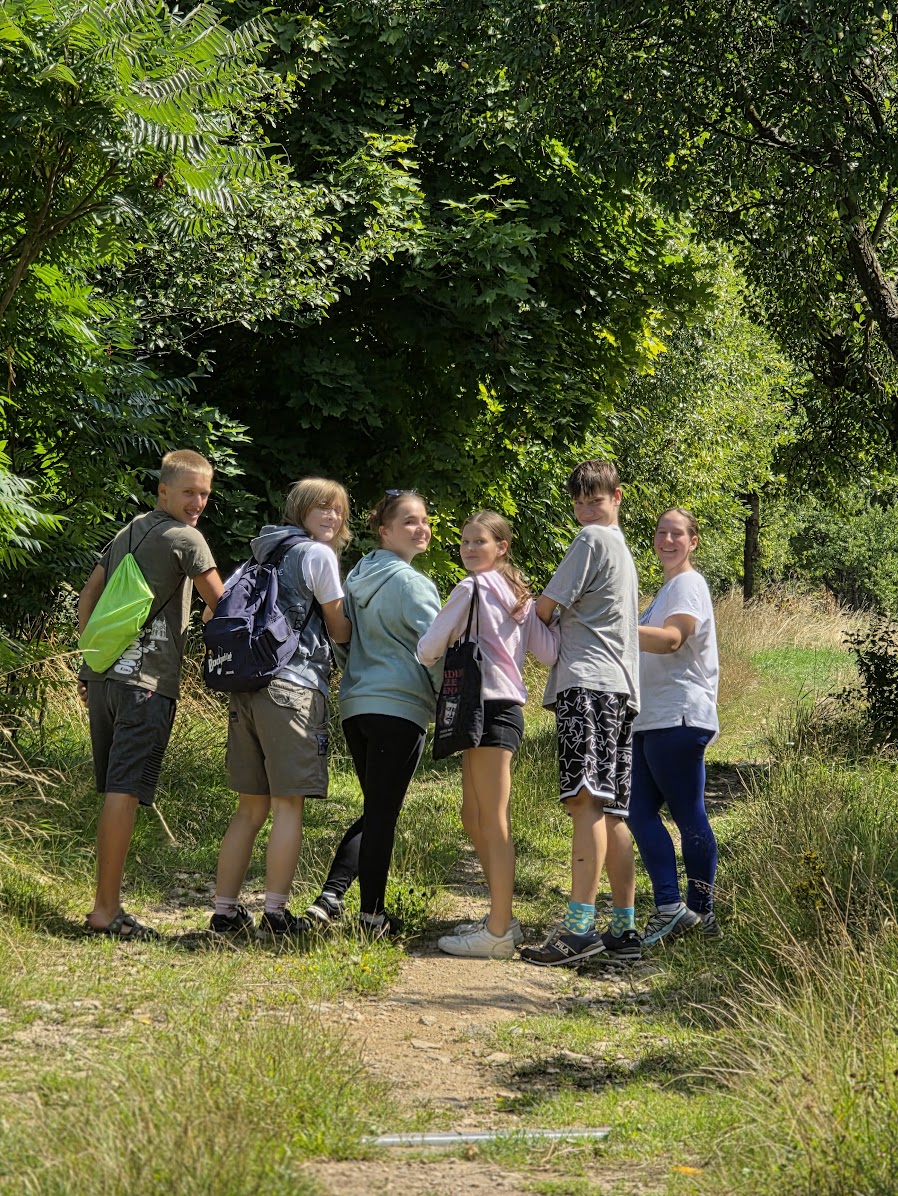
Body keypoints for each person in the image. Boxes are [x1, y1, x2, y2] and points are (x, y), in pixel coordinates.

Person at [77, 449, 224, 939]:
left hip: (104, 679)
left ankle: (107, 903)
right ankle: (105, 910)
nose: (197, 502)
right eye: (188, 492)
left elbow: (90, 593)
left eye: (204, 494)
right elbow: (222, 603)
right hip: (146, 684)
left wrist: (90, 662)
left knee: (115, 790)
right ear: (163, 491)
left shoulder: (129, 530)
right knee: (124, 791)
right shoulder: (187, 538)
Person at [207, 478, 353, 943]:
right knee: (288, 805)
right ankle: (275, 913)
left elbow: (213, 615)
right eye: (321, 507)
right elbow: (339, 628)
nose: (331, 516)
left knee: (250, 807)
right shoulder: (317, 555)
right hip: (294, 687)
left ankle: (225, 913)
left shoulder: (259, 555)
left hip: (246, 688)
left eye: (338, 509)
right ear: (300, 511)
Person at [417, 512, 559, 959]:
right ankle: (503, 917)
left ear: (502, 546)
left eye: (479, 541)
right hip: (501, 709)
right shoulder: (520, 594)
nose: (469, 549)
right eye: (465, 541)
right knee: (473, 814)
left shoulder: (470, 588)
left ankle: (498, 932)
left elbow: (428, 648)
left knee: (492, 819)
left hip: (484, 707)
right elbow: (548, 651)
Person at [520, 460, 642, 967]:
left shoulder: (591, 541)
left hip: (586, 685)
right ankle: (625, 929)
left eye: (596, 500)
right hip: (620, 690)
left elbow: (543, 609)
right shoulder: (625, 552)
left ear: (617, 497)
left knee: (585, 801)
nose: (587, 510)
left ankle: (578, 929)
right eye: (579, 502)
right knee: (612, 810)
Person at [305, 491, 442, 938]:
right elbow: (435, 649)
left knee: (377, 808)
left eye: (424, 520)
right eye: (409, 521)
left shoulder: (356, 578)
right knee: (383, 813)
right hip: (400, 706)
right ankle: (371, 917)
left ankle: (331, 897)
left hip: (357, 706)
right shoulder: (413, 585)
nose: (421, 528)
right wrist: (447, 698)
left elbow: (342, 639)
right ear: (384, 531)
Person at [628, 507, 721, 944]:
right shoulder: (665, 590)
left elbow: (671, 640)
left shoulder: (688, 584)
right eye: (661, 532)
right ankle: (670, 907)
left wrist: (616, 627)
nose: (667, 540)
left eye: (677, 533)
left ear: (693, 541)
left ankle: (701, 911)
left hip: (679, 714)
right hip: (652, 717)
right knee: (637, 812)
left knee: (688, 815)